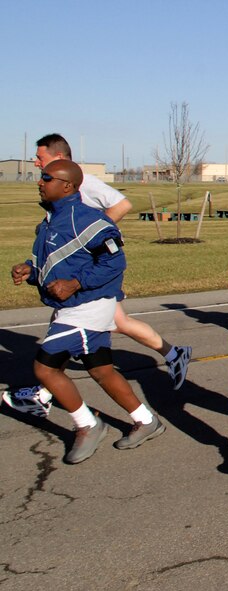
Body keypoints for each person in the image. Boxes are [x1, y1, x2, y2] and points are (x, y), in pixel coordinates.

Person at [4, 134, 192, 417]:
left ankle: (171, 356)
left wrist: (89, 232)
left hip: (92, 269)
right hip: (77, 270)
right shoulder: (55, 185)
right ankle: (147, 397)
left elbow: (121, 205)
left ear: (59, 159)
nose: (36, 165)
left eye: (40, 158)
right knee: (96, 333)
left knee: (98, 326)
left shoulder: (82, 181)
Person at [10, 160, 165, 463]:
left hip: (88, 307)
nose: (39, 182)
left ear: (67, 186)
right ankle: (146, 421)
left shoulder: (90, 221)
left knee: (45, 368)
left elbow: (114, 263)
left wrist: (75, 283)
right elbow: (57, 263)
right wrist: (29, 271)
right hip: (70, 308)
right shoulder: (49, 221)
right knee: (101, 370)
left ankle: (88, 425)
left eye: (46, 178)